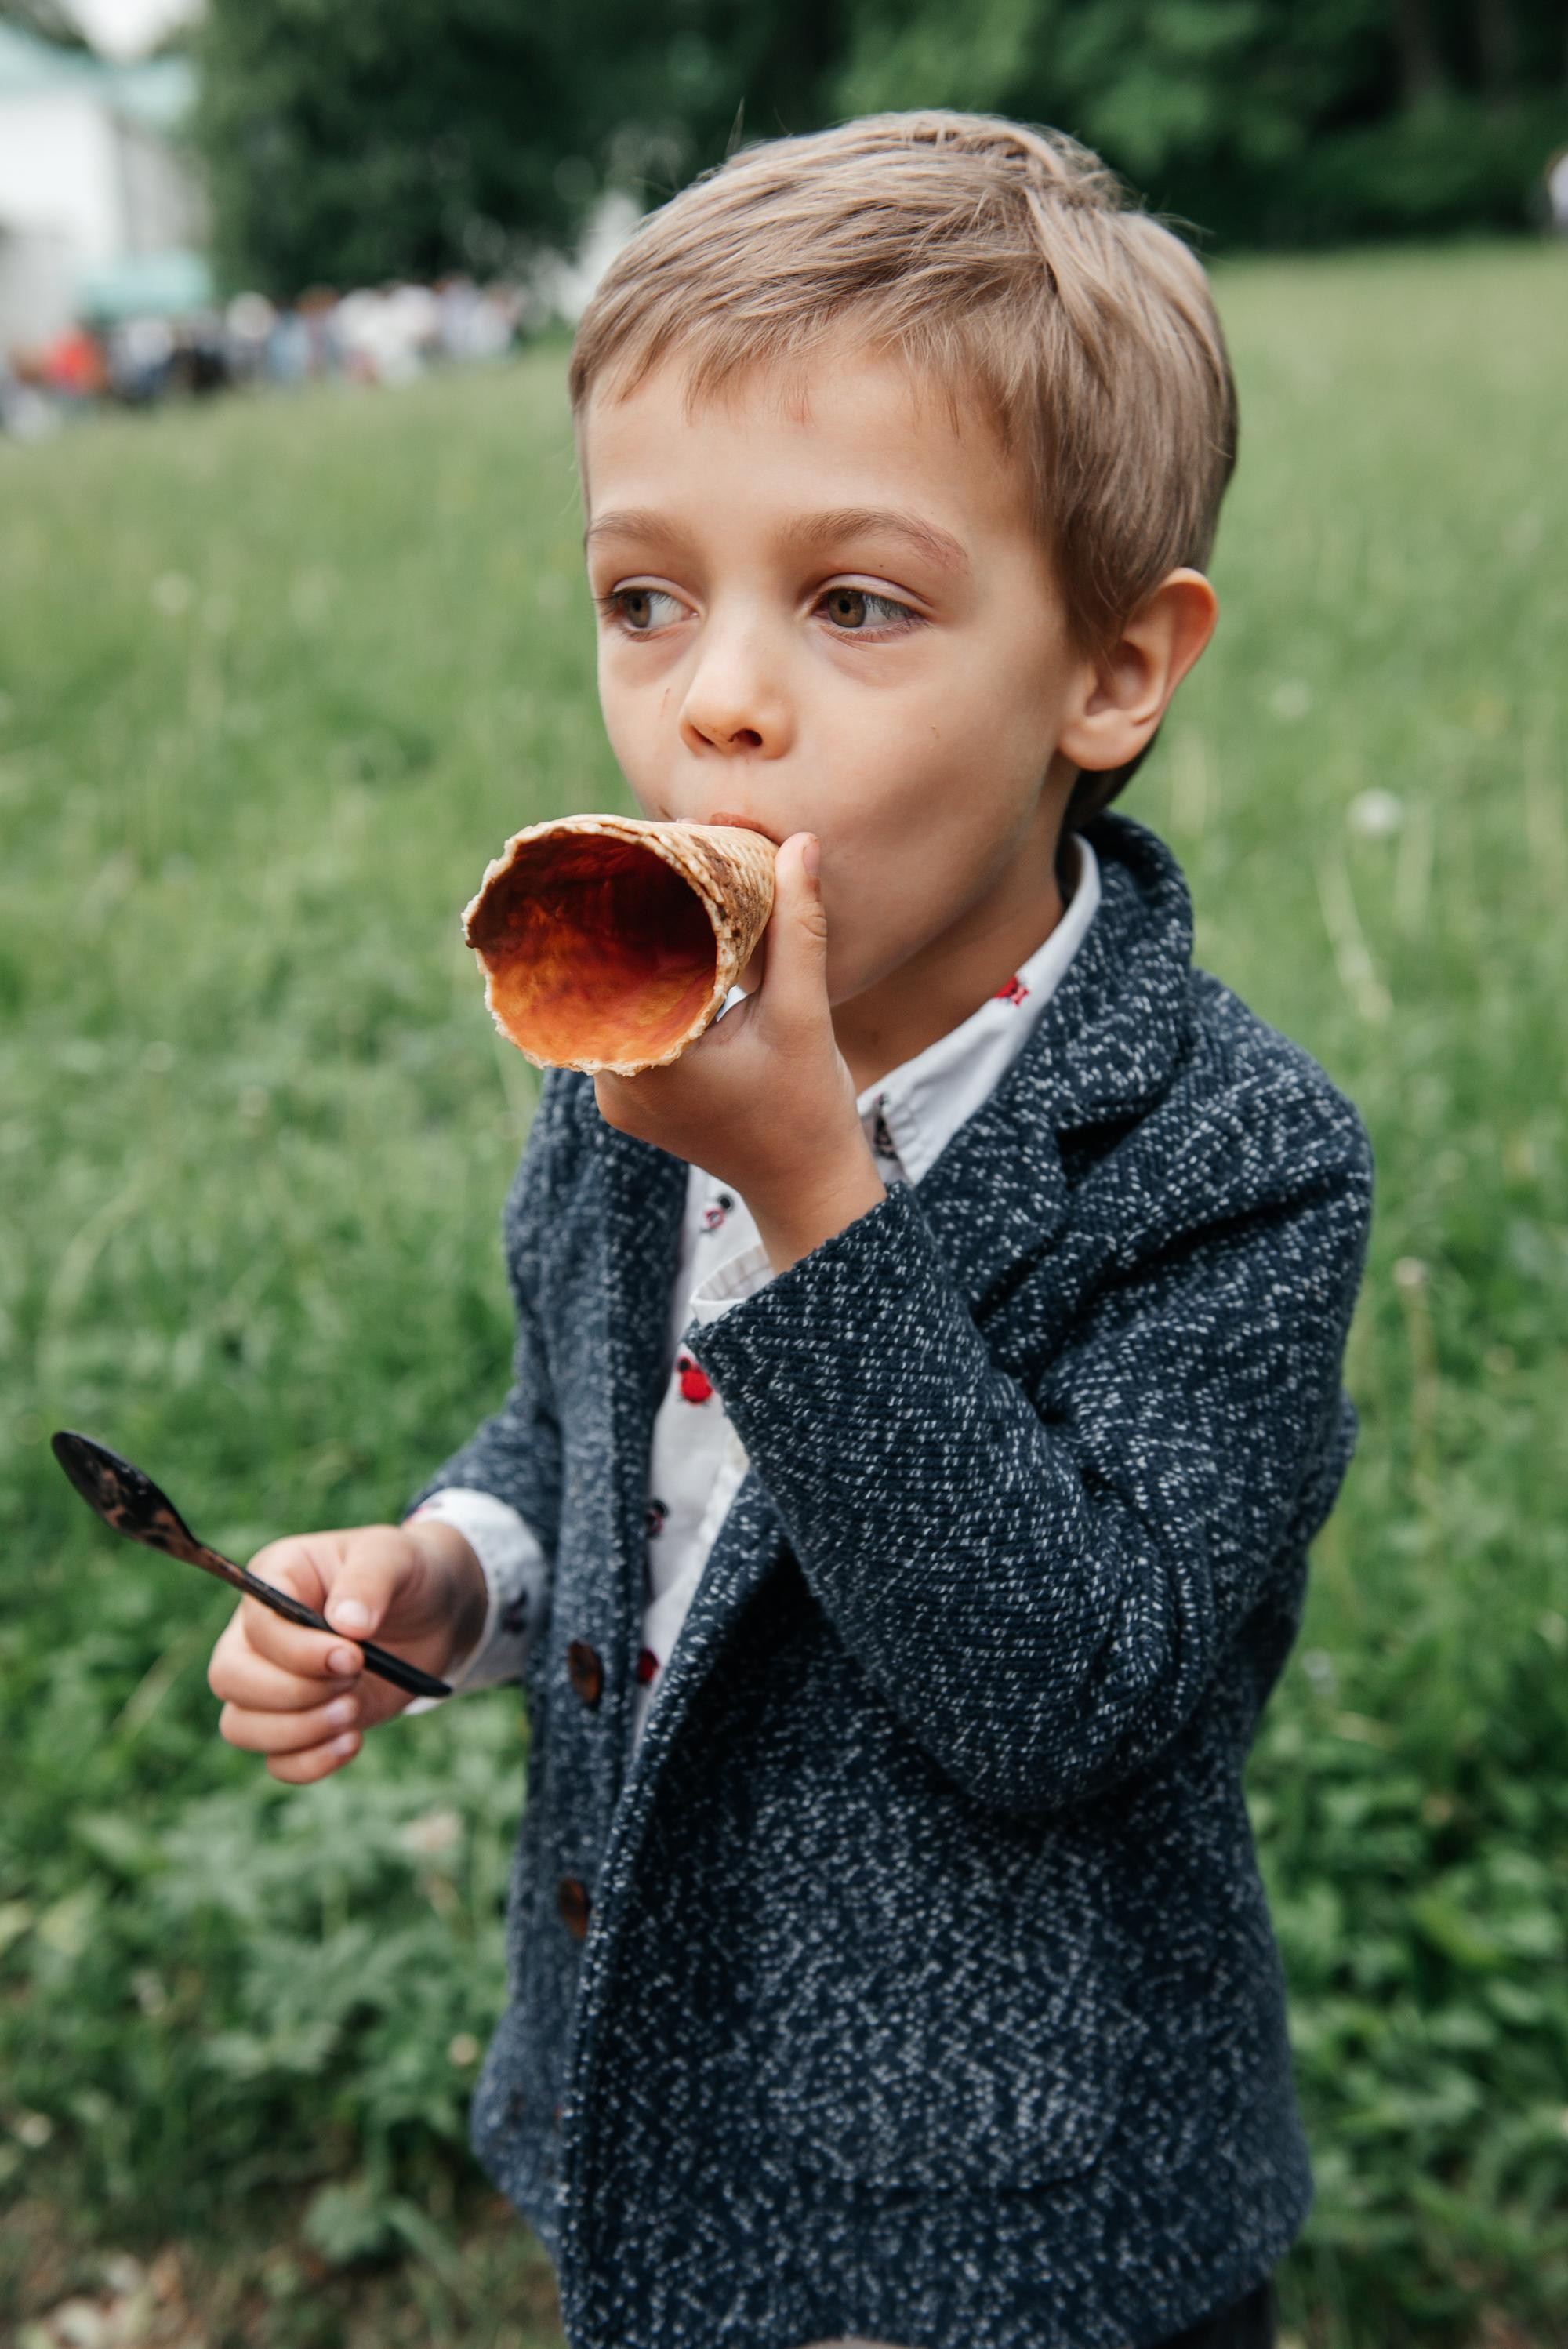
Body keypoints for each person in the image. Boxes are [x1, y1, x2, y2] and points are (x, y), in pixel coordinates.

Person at [205, 113, 1372, 2349]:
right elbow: (588, 1419)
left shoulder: (1235, 1159)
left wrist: (809, 1187)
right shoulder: (635, 1051)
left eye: (853, 602)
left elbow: (1068, 1692)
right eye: (647, 598)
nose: (713, 698)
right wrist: (450, 1572)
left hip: (1025, 2242)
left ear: (1112, 670)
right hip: (657, 2136)